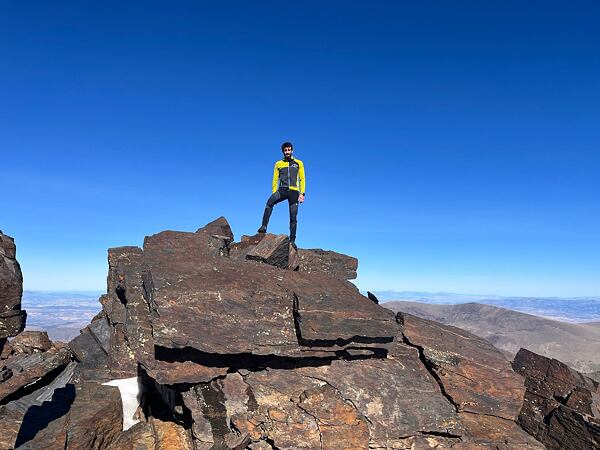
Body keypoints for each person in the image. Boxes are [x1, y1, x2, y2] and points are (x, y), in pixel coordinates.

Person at [258, 141, 306, 248]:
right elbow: (275, 179)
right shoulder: (278, 164)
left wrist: (302, 193)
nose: (287, 152)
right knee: (270, 202)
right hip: (282, 190)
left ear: (292, 150)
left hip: (294, 192)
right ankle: (264, 226)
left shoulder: (299, 163)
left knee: (293, 217)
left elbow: (302, 179)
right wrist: (274, 192)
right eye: (285, 150)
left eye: (289, 150)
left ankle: (292, 240)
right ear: (283, 151)